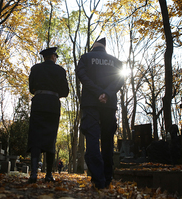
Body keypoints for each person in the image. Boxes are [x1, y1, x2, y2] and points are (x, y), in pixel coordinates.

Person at [76, 38, 124, 189]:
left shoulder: (86, 58)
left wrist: (97, 93)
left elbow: (82, 75)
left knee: (92, 138)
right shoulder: (115, 61)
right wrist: (107, 94)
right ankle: (108, 177)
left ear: (94, 46)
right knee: (107, 140)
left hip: (91, 103)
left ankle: (98, 179)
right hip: (108, 104)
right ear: (104, 47)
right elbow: (120, 79)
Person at [27, 47, 69, 183]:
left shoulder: (35, 69)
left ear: (44, 57)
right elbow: (65, 91)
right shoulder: (60, 70)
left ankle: (33, 173)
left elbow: (31, 88)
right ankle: (49, 174)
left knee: (35, 137)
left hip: (38, 104)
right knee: (51, 138)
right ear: (53, 57)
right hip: (52, 106)